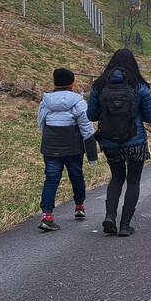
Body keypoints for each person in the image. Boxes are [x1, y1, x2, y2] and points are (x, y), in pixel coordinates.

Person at [87, 48, 151, 237]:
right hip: (135, 142)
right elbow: (150, 117)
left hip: (109, 142)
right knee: (133, 181)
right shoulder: (140, 87)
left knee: (116, 178)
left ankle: (110, 217)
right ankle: (125, 225)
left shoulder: (99, 86)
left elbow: (91, 115)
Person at [37, 68, 98, 232]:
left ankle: (47, 216)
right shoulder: (78, 102)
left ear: (54, 83)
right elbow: (87, 129)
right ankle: (79, 206)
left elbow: (41, 124)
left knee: (51, 180)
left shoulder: (46, 101)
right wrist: (92, 155)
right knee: (77, 176)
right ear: (73, 83)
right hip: (73, 149)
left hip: (51, 147)